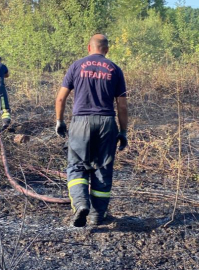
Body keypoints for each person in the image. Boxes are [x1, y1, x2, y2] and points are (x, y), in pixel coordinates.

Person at [55, 34, 128, 227]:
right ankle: (97, 216)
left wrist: (60, 121)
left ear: (89, 48)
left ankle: (80, 204)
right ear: (107, 49)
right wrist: (123, 131)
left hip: (80, 122)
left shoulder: (77, 66)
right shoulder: (115, 69)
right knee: (103, 168)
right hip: (106, 122)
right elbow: (122, 105)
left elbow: (61, 98)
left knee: (77, 166)